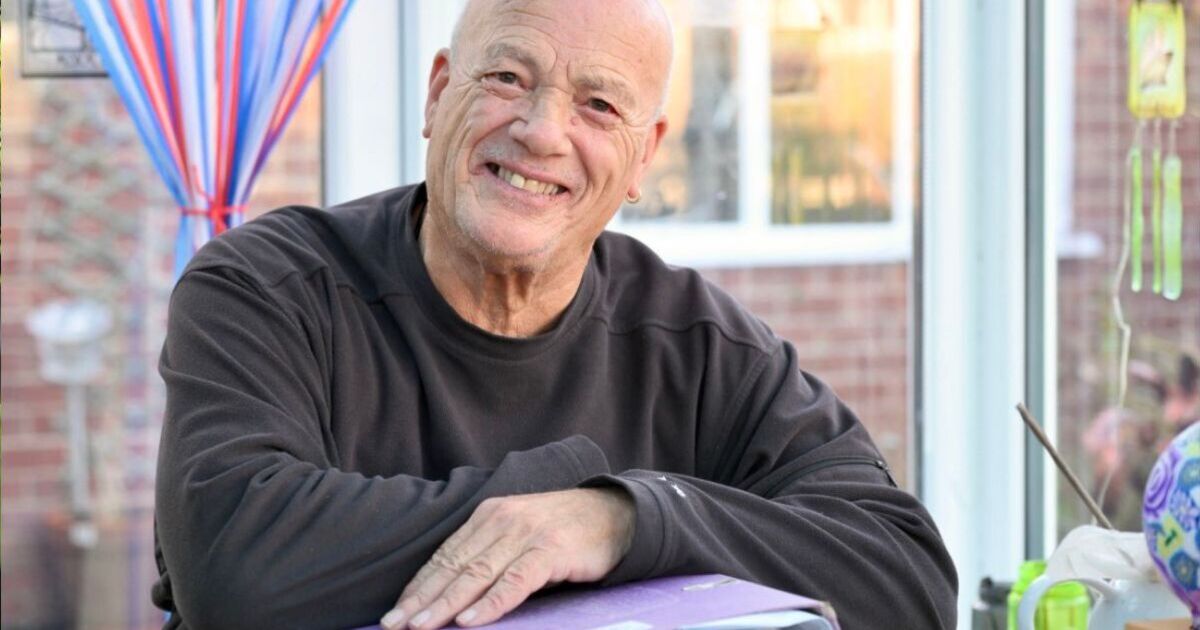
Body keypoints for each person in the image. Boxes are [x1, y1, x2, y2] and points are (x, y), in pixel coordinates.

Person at [151, 1, 957, 628]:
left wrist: (625, 521)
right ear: (438, 93)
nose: (541, 132)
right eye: (507, 78)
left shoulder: (696, 342)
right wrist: (553, 492)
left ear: (645, 155)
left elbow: (908, 578)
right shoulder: (270, 287)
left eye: (599, 105)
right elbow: (235, 569)